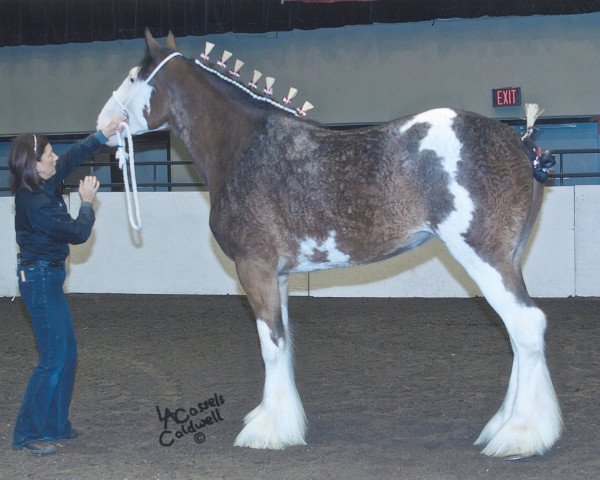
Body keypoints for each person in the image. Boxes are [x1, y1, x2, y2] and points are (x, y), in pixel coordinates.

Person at [8, 115, 126, 455]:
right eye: (49, 155)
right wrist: (87, 204)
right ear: (35, 164)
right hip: (41, 279)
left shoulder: (40, 184)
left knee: (65, 355)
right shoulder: (37, 202)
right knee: (53, 359)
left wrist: (104, 133)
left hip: (46, 277)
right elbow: (77, 233)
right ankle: (27, 434)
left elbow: (74, 155)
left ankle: (56, 425)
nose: (56, 158)